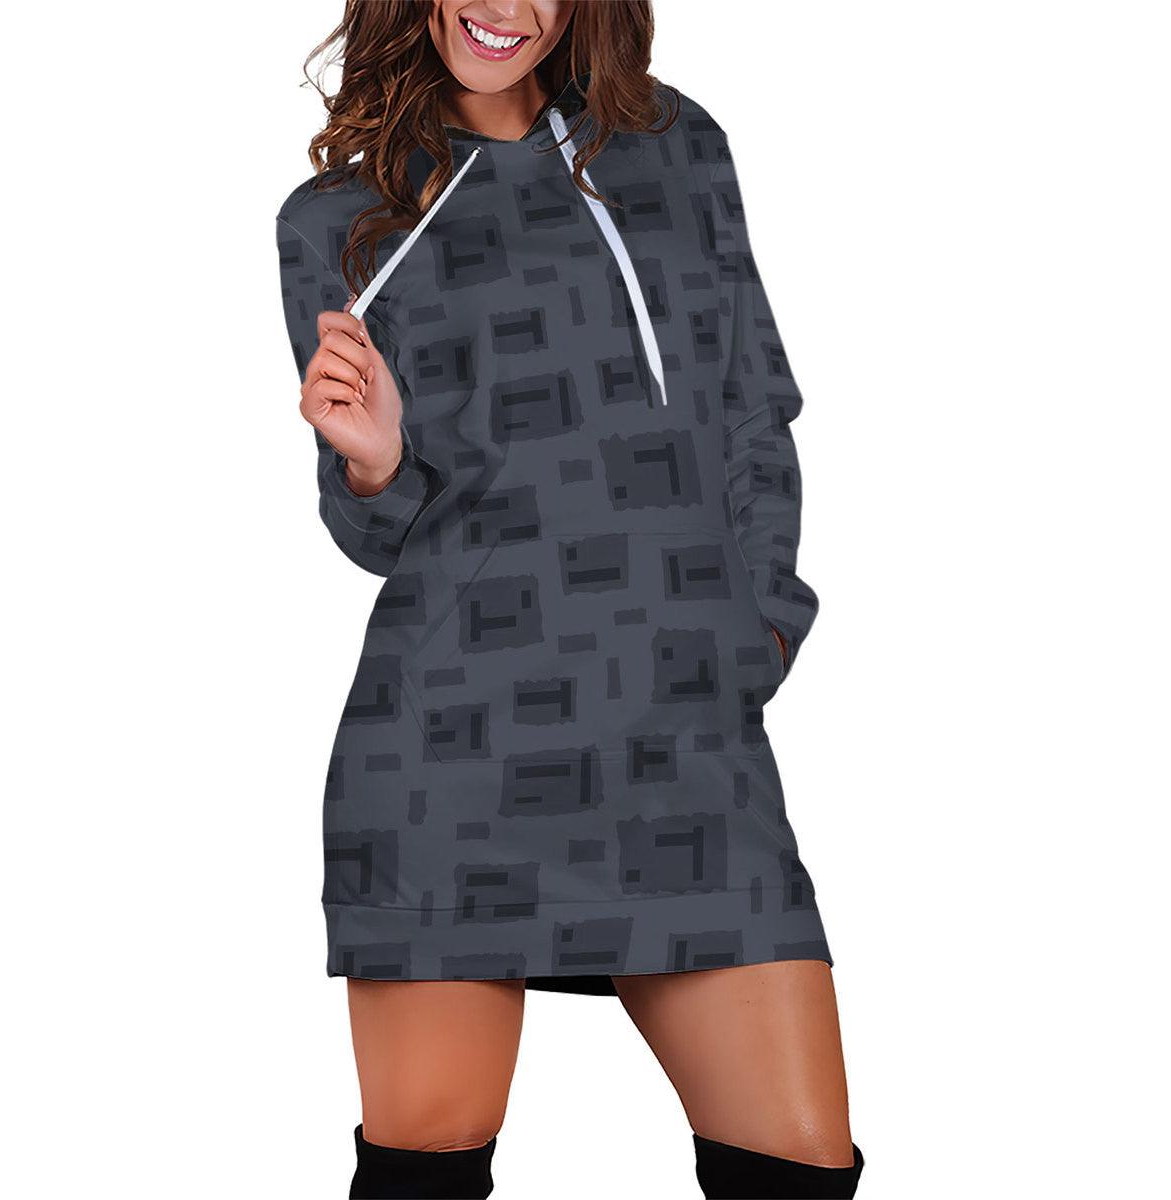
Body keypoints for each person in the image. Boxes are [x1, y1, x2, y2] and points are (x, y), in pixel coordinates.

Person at [275, 3, 863, 1196]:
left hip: (686, 747)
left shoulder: (676, 145)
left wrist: (759, 632)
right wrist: (373, 465)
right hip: (456, 751)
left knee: (799, 1160)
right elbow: (377, 532)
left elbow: (754, 407)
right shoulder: (339, 215)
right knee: (429, 1164)